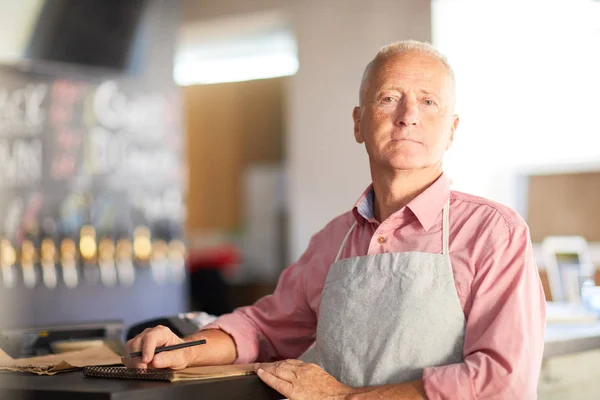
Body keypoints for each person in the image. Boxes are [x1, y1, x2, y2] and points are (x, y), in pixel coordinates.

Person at [124, 40, 546, 399]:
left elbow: (502, 383)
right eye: (388, 98)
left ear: (452, 130)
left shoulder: (495, 233)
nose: (408, 115)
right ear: (359, 123)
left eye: (429, 102)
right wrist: (184, 348)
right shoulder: (334, 240)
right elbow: (265, 328)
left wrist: (345, 398)